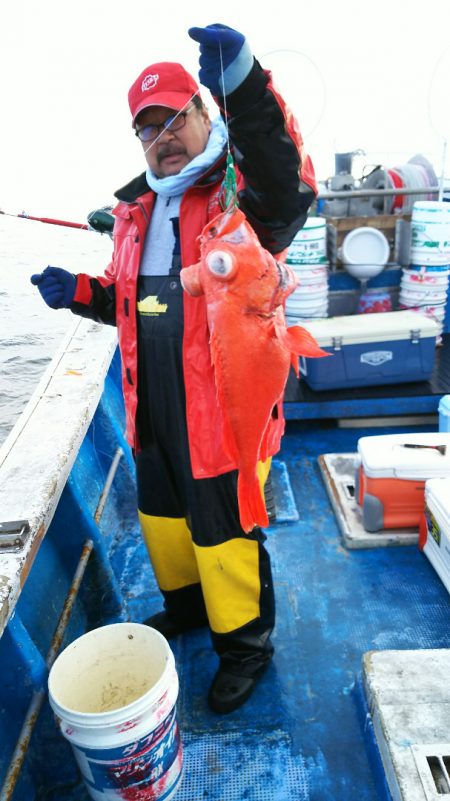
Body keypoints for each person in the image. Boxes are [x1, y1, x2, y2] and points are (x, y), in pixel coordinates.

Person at [31, 23, 317, 714]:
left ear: (203, 114)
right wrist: (79, 291)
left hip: (221, 411)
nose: (162, 137)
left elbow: (285, 184)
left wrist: (244, 84)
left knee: (225, 533)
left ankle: (244, 646)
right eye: (147, 128)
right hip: (152, 404)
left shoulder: (235, 198)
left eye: (174, 118)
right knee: (163, 518)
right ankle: (188, 608)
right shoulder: (135, 212)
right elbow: (132, 302)